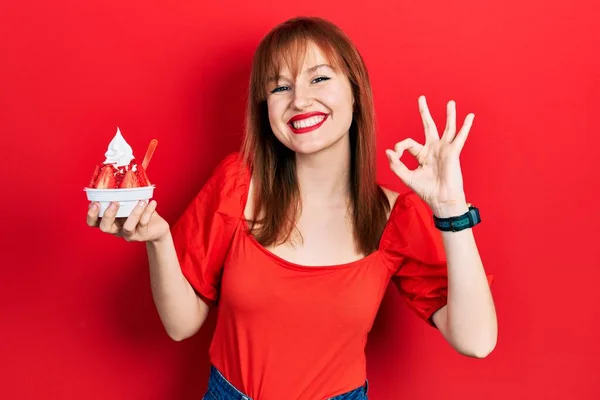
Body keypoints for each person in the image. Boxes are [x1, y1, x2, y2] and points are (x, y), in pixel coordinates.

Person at [86, 16, 496, 400]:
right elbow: (181, 325)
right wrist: (158, 240)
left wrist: (451, 209)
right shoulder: (236, 183)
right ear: (266, 108)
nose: (299, 100)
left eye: (319, 78)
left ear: (356, 91)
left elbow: (476, 341)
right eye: (280, 87)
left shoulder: (395, 216)